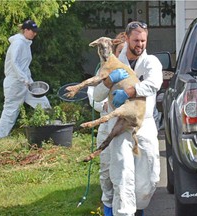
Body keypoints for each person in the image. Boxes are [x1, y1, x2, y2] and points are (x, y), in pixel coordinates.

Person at [93, 21, 163, 216]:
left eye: (143, 40)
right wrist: (109, 81)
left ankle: (137, 209)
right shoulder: (112, 63)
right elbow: (97, 95)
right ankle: (122, 213)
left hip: (144, 123)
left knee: (149, 180)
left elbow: (153, 83)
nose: (139, 44)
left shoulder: (151, 62)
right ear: (126, 37)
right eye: (135, 40)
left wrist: (130, 91)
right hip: (119, 125)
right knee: (121, 175)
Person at [87, 32, 127, 216]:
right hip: (106, 124)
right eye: (117, 50)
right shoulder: (103, 69)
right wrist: (101, 104)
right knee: (107, 171)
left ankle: (134, 210)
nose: (118, 54)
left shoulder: (129, 70)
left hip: (126, 126)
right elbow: (93, 95)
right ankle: (108, 209)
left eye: (121, 50)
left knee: (127, 174)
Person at [0, 20, 51, 140]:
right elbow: (14, 63)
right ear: (25, 30)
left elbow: (24, 66)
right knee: (10, 112)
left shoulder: (26, 43)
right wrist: (23, 78)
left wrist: (29, 81)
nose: (34, 34)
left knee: (43, 103)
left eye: (36, 32)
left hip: (26, 83)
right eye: (33, 31)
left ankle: (49, 134)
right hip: (15, 83)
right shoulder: (18, 43)